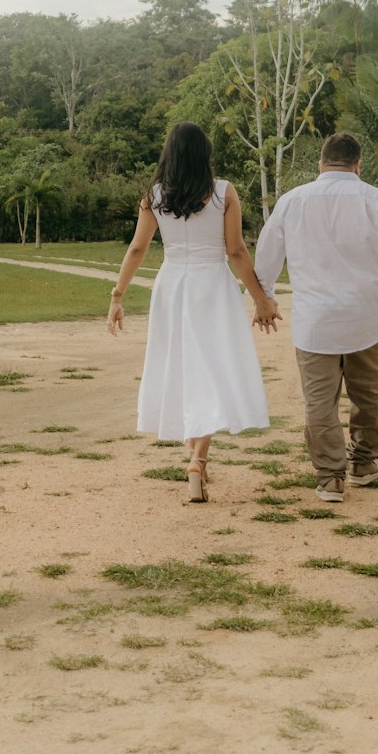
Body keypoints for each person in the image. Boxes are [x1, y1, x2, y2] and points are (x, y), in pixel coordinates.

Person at [108, 122, 280, 503]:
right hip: (212, 286)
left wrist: (117, 296)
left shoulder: (154, 196)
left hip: (173, 286)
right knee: (211, 366)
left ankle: (196, 452)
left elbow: (137, 249)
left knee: (182, 364)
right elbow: (236, 251)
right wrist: (261, 298)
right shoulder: (222, 192)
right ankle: (198, 458)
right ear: (205, 154)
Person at [254, 131, 378, 503]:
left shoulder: (293, 201)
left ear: (320, 164)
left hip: (316, 321)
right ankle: (363, 462)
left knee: (319, 401)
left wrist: (264, 299)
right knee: (371, 394)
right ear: (358, 165)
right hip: (371, 317)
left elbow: (266, 255)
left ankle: (330, 478)